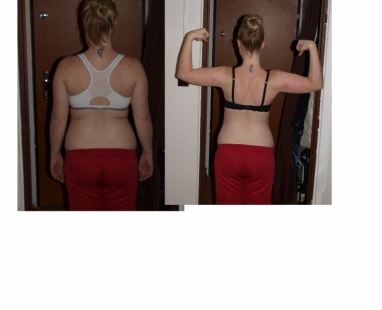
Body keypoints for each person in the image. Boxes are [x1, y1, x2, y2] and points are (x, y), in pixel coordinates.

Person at [175, 14, 323, 205]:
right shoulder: (273, 79)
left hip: (229, 154)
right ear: (263, 44)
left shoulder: (225, 75)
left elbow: (183, 73)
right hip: (261, 157)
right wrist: (312, 47)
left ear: (238, 43)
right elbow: (315, 83)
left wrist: (189, 37)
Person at [50, 0, 153, 211]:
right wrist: (148, 153)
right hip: (121, 160)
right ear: (114, 23)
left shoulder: (66, 67)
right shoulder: (133, 68)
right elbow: (143, 119)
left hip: (80, 160)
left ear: (84, 23)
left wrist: (54, 154)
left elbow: (58, 119)